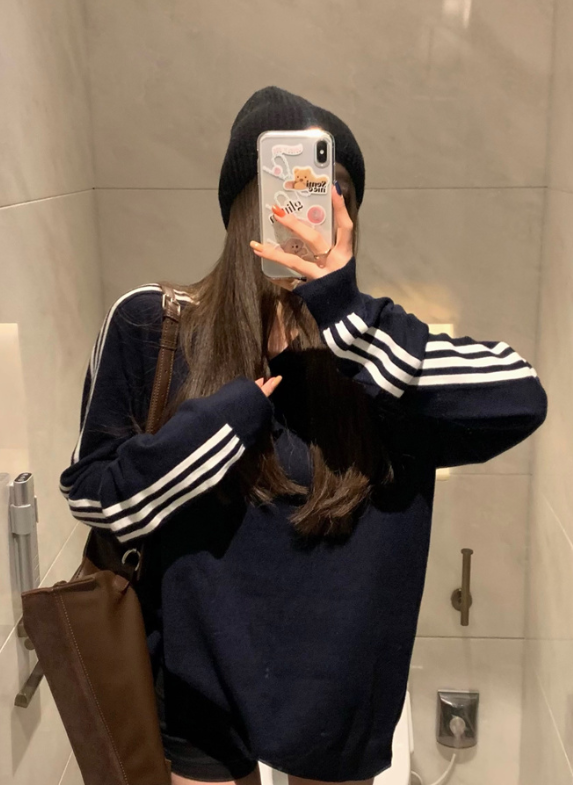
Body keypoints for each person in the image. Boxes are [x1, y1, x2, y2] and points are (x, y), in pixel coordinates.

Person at [58, 86, 548, 785]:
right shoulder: (154, 327)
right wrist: (215, 428)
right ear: (242, 208)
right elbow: (95, 498)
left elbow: (521, 396)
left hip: (338, 704)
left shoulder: (382, 358)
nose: (307, 206)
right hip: (194, 699)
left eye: (331, 187)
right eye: (283, 184)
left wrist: (348, 318)